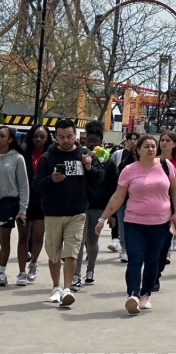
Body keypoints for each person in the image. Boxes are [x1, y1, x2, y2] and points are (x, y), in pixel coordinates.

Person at [95, 135, 176, 314]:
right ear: (138, 150)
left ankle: (145, 295)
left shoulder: (166, 166)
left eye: (153, 146)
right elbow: (118, 196)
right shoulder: (129, 170)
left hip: (160, 222)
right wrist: (103, 218)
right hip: (134, 223)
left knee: (153, 261)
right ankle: (133, 295)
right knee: (135, 259)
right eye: (146, 146)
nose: (151, 149)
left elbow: (175, 190)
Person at [33, 118, 104, 306]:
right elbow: (36, 184)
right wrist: (51, 179)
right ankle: (55, 287)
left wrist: (89, 167)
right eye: (61, 137)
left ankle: (67, 289)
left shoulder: (85, 154)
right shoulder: (48, 158)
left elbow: (100, 177)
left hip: (77, 212)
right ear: (56, 137)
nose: (66, 140)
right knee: (54, 253)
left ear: (76, 135)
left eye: (70, 136)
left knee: (71, 252)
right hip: (53, 213)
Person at [73, 122, 108, 289]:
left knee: (92, 241)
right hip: (81, 204)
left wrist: (111, 213)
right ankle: (76, 275)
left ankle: (90, 269)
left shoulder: (108, 160)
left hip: (98, 206)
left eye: (94, 140)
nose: (91, 143)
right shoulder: (79, 156)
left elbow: (112, 186)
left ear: (101, 141)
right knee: (78, 242)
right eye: (88, 140)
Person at [0, 125, 30, 286]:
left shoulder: (17, 158)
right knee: (2, 239)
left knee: (15, 239)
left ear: (10, 139)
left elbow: (24, 185)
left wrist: (23, 209)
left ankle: (16, 272)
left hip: (12, 202)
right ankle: (2, 272)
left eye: (2, 136)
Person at [24, 125, 51, 282]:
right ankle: (23, 265)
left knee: (38, 234)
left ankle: (33, 263)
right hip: (25, 198)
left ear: (47, 138)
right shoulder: (24, 154)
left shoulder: (50, 155)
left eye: (42, 136)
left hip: (43, 199)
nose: (38, 139)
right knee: (24, 235)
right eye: (35, 136)